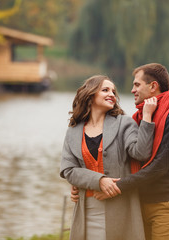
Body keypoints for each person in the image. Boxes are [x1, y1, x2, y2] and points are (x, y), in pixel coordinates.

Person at [72, 63, 169, 240]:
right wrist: (84, 185)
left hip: (166, 203)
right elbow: (117, 160)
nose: (132, 90)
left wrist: (116, 187)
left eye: (137, 84)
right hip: (138, 201)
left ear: (153, 86)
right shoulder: (139, 118)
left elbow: (159, 168)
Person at [60, 75, 158, 240]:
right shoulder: (73, 131)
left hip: (121, 210)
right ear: (90, 95)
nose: (112, 94)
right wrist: (99, 180)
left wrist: (147, 118)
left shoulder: (124, 123)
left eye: (113, 91)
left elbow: (141, 153)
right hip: (86, 211)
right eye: (105, 90)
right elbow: (68, 170)